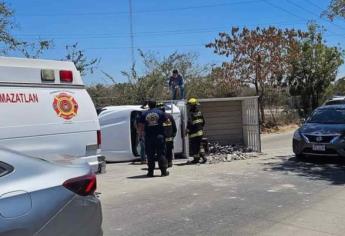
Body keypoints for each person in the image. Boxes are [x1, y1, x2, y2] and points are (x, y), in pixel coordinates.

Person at [138, 100, 169, 177]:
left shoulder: (144, 113)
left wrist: (140, 135)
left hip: (149, 137)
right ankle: (163, 172)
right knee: (161, 154)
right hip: (159, 136)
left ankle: (150, 172)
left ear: (148, 105)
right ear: (155, 104)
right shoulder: (161, 112)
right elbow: (168, 122)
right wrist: (161, 125)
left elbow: (141, 126)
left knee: (150, 155)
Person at [186, 98, 207, 164]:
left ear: (192, 105)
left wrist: (188, 130)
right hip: (200, 132)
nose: (188, 106)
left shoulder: (191, 113)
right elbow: (203, 122)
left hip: (193, 133)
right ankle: (204, 157)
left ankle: (196, 159)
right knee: (200, 145)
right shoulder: (199, 112)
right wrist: (200, 128)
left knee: (194, 146)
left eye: (189, 105)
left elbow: (190, 123)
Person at [157, 102, 177, 168]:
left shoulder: (158, 118)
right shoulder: (170, 116)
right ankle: (170, 163)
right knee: (169, 151)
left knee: (163, 152)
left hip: (162, 139)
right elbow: (174, 127)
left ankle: (165, 164)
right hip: (170, 138)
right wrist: (173, 135)